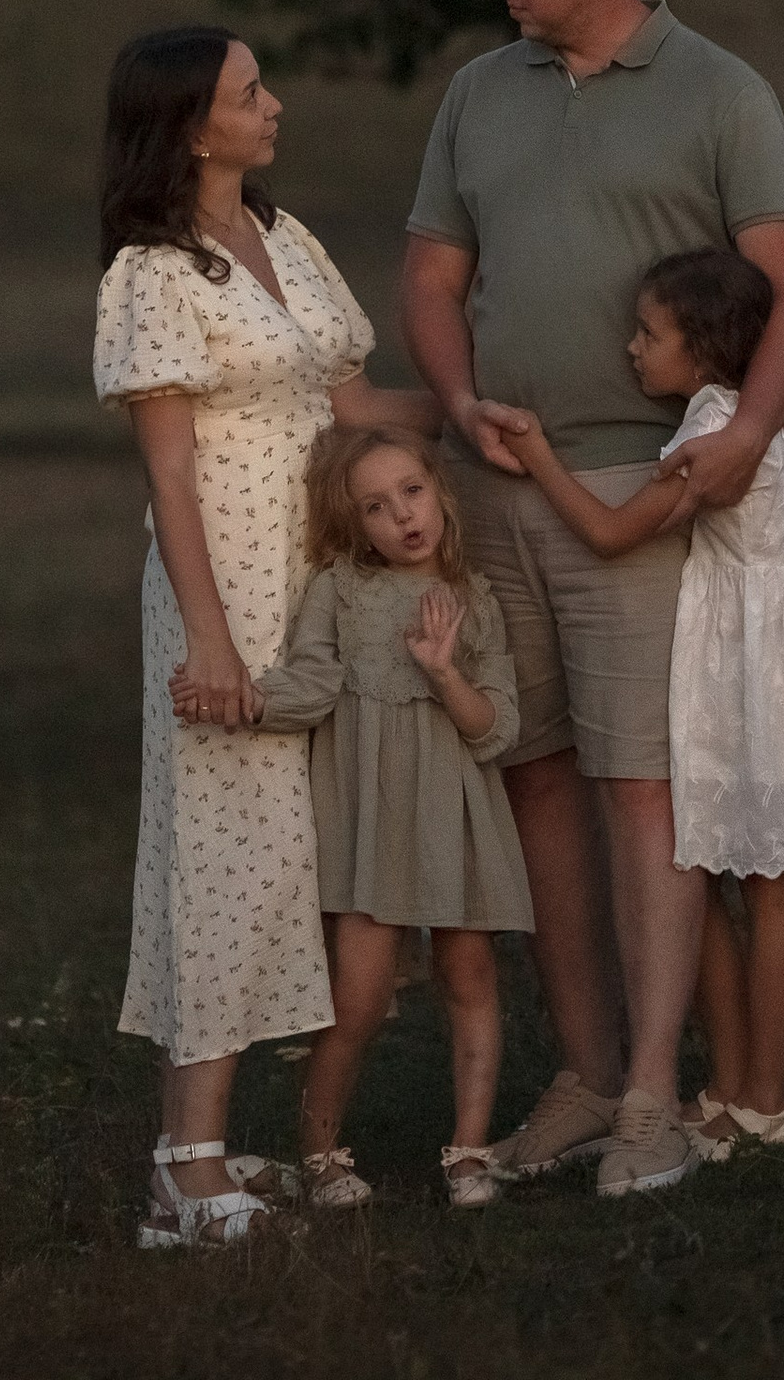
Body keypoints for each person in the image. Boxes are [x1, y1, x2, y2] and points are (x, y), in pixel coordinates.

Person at [399, 0, 784, 1200]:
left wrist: (747, 435)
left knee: (645, 789)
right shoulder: (480, 90)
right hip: (491, 488)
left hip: (640, 499)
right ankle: (584, 1074)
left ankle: (656, 1097)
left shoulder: (720, 93)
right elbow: (431, 271)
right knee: (532, 777)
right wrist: (458, 399)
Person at [92, 24, 440, 1249]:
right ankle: (183, 1165)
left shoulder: (282, 241)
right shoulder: (154, 272)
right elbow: (170, 478)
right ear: (193, 126)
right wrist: (210, 643)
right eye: (251, 93)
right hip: (226, 597)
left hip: (320, 590)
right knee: (228, 855)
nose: (275, 105)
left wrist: (474, 406)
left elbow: (354, 409)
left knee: (297, 858)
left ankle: (229, 1135)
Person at [498, 244, 784, 1154]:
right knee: (726, 868)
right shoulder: (761, 411)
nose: (632, 349)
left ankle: (766, 1097)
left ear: (706, 349)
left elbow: (608, 532)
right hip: (774, 658)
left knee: (762, 880)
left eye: (648, 333)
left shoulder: (716, 435)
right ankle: (735, 1089)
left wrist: (540, 455)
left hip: (753, 671)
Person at [246, 423, 532, 1212]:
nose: (403, 515)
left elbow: (494, 727)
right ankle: (321, 1155)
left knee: (469, 977)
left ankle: (470, 1153)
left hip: (454, 813)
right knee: (359, 998)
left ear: (440, 489)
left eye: (412, 491)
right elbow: (307, 682)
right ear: (352, 522)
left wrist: (442, 673)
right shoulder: (343, 588)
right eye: (376, 506)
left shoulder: (475, 598)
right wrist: (244, 699)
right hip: (372, 821)